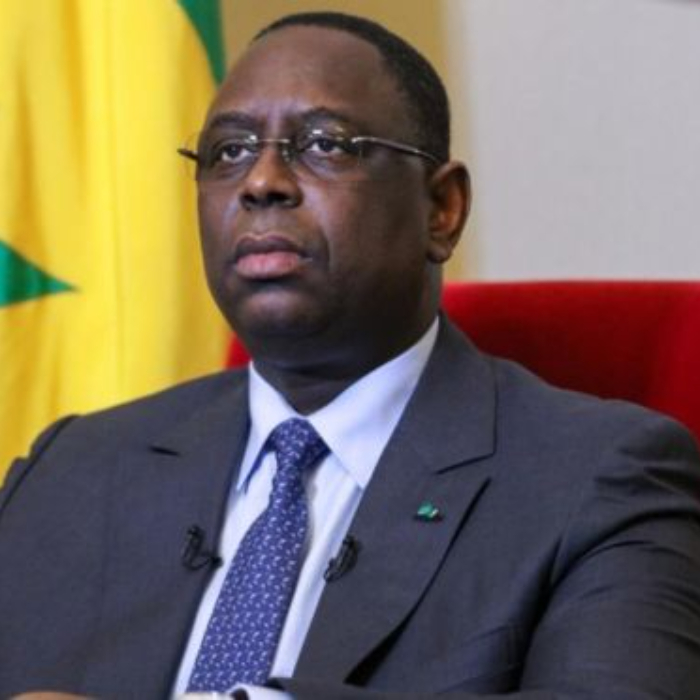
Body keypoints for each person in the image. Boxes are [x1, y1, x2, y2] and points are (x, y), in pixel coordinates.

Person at [1, 11, 700, 700]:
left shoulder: (600, 480)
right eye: (229, 151)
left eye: (324, 144)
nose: (261, 182)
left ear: (442, 209)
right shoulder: (70, 471)